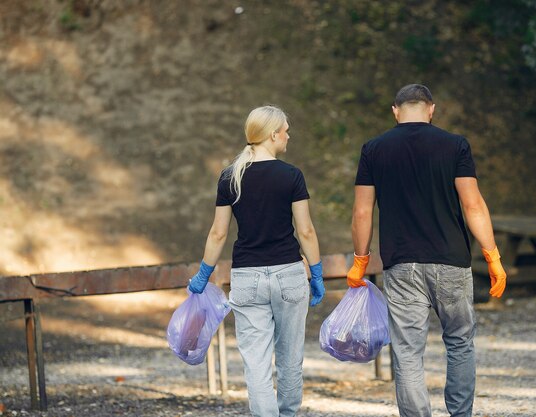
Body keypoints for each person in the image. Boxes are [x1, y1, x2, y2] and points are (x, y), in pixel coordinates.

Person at [346, 84, 506, 417]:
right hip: (451, 261)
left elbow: (362, 211)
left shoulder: (373, 149)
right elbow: (472, 203)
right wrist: (492, 256)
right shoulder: (455, 146)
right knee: (460, 341)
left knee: (406, 352)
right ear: (431, 109)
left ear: (395, 110)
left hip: (401, 264)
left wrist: (360, 259)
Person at [187, 105, 325, 417]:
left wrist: (203, 274)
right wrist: (316, 272)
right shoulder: (291, 176)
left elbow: (218, 234)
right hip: (289, 274)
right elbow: (305, 230)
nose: (288, 135)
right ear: (273, 135)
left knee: (257, 363)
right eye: (285, 130)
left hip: (247, 280)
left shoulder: (230, 176)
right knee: (290, 358)